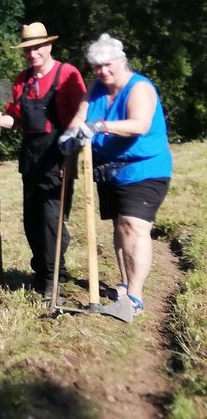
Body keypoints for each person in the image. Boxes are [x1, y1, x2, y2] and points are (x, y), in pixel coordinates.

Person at [62, 33, 172, 316]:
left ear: (121, 61)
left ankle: (134, 298)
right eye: (97, 67)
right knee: (119, 229)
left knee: (133, 226)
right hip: (109, 172)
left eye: (108, 65)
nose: (103, 71)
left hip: (145, 169)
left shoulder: (139, 88)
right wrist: (70, 135)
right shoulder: (96, 87)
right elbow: (80, 116)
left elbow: (139, 124)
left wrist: (99, 127)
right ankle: (126, 283)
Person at [0, 22, 86, 295]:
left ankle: (53, 276)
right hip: (31, 156)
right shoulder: (20, 80)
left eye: (37, 47)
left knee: (51, 218)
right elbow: (14, 118)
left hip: (60, 155)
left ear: (49, 46)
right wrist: (0, 120)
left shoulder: (68, 74)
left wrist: (70, 158)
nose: (33, 53)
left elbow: (80, 117)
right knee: (31, 220)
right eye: (28, 49)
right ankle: (42, 270)